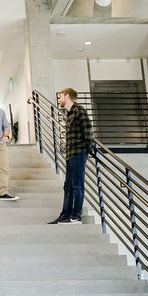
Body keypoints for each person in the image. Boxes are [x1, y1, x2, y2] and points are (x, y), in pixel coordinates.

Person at [50, 87, 92, 225]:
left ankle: (76, 216)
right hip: (70, 154)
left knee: (77, 185)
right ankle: (65, 215)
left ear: (67, 96)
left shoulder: (79, 110)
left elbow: (88, 131)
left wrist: (86, 150)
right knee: (67, 185)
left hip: (79, 153)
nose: (60, 99)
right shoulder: (69, 114)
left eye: (61, 96)